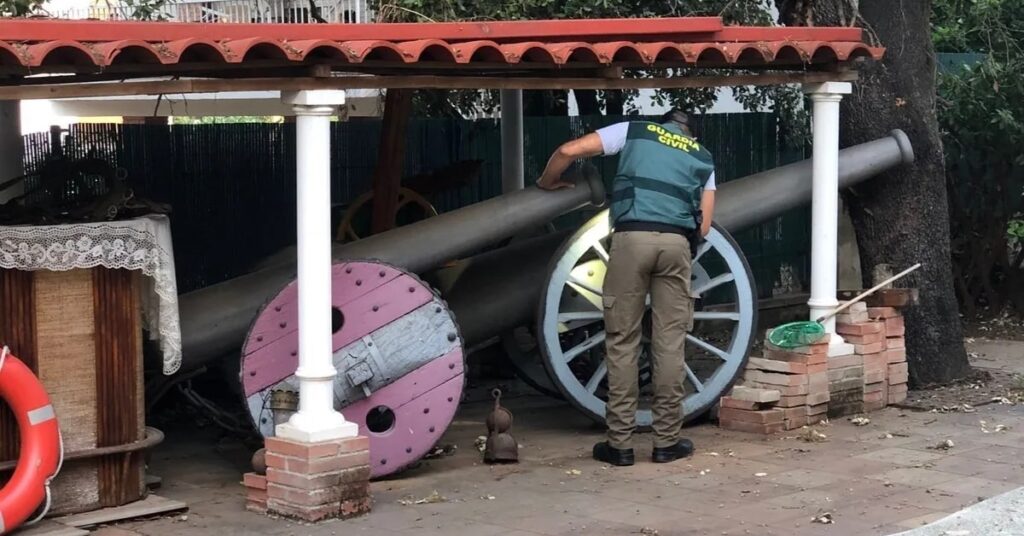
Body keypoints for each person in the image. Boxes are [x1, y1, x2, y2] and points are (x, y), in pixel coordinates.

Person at [536, 109, 716, 466]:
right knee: (669, 341)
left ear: (661, 123)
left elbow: (569, 151)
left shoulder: (635, 130)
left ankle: (619, 444)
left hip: (632, 240)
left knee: (622, 339)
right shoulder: (701, 156)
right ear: (689, 133)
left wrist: (547, 182)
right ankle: (667, 441)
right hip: (677, 247)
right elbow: (706, 226)